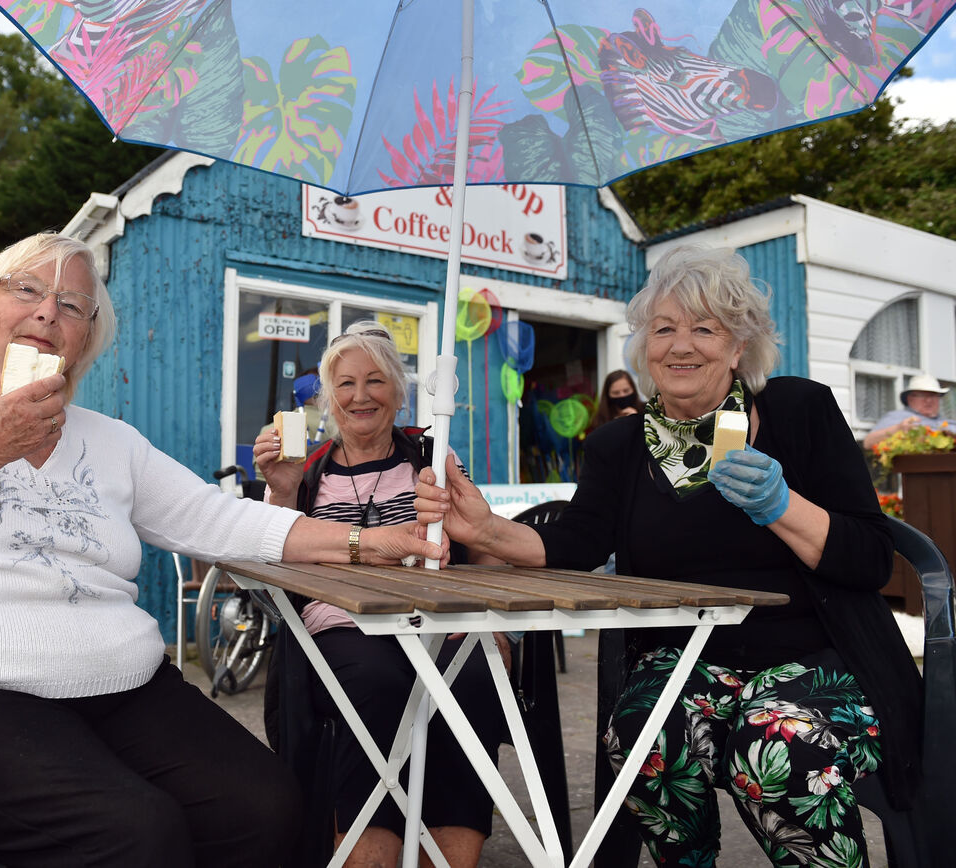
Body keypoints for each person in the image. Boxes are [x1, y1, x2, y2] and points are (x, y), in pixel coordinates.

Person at [0, 233, 444, 868]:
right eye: (26, 289)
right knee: (133, 833)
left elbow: (219, 520)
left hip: (104, 691)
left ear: (86, 341)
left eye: (74, 305)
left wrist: (367, 542)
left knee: (267, 807)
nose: (48, 312)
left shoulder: (111, 440)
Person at [415, 245, 922, 866]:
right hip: (685, 664)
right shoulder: (618, 446)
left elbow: (873, 560)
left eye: (704, 329)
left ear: (739, 347)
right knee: (640, 734)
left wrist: (782, 506)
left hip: (819, 660)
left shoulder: (799, 410)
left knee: (774, 740)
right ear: (644, 347)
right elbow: (571, 546)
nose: (681, 345)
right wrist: (485, 528)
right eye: (664, 329)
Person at [253, 321, 505, 868]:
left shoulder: (433, 456)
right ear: (327, 397)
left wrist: (496, 625)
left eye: (375, 381)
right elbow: (273, 568)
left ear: (399, 392)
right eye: (345, 384)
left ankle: (447, 858)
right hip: (340, 625)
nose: (360, 396)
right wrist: (281, 489)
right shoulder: (308, 469)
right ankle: (371, 854)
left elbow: (482, 538)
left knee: (475, 678)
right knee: (379, 682)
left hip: (433, 617)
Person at [862, 373, 955, 450]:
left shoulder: (949, 423)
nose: (928, 400)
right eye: (923, 395)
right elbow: (868, 442)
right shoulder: (898, 417)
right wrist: (898, 428)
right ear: (910, 399)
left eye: (933, 395)